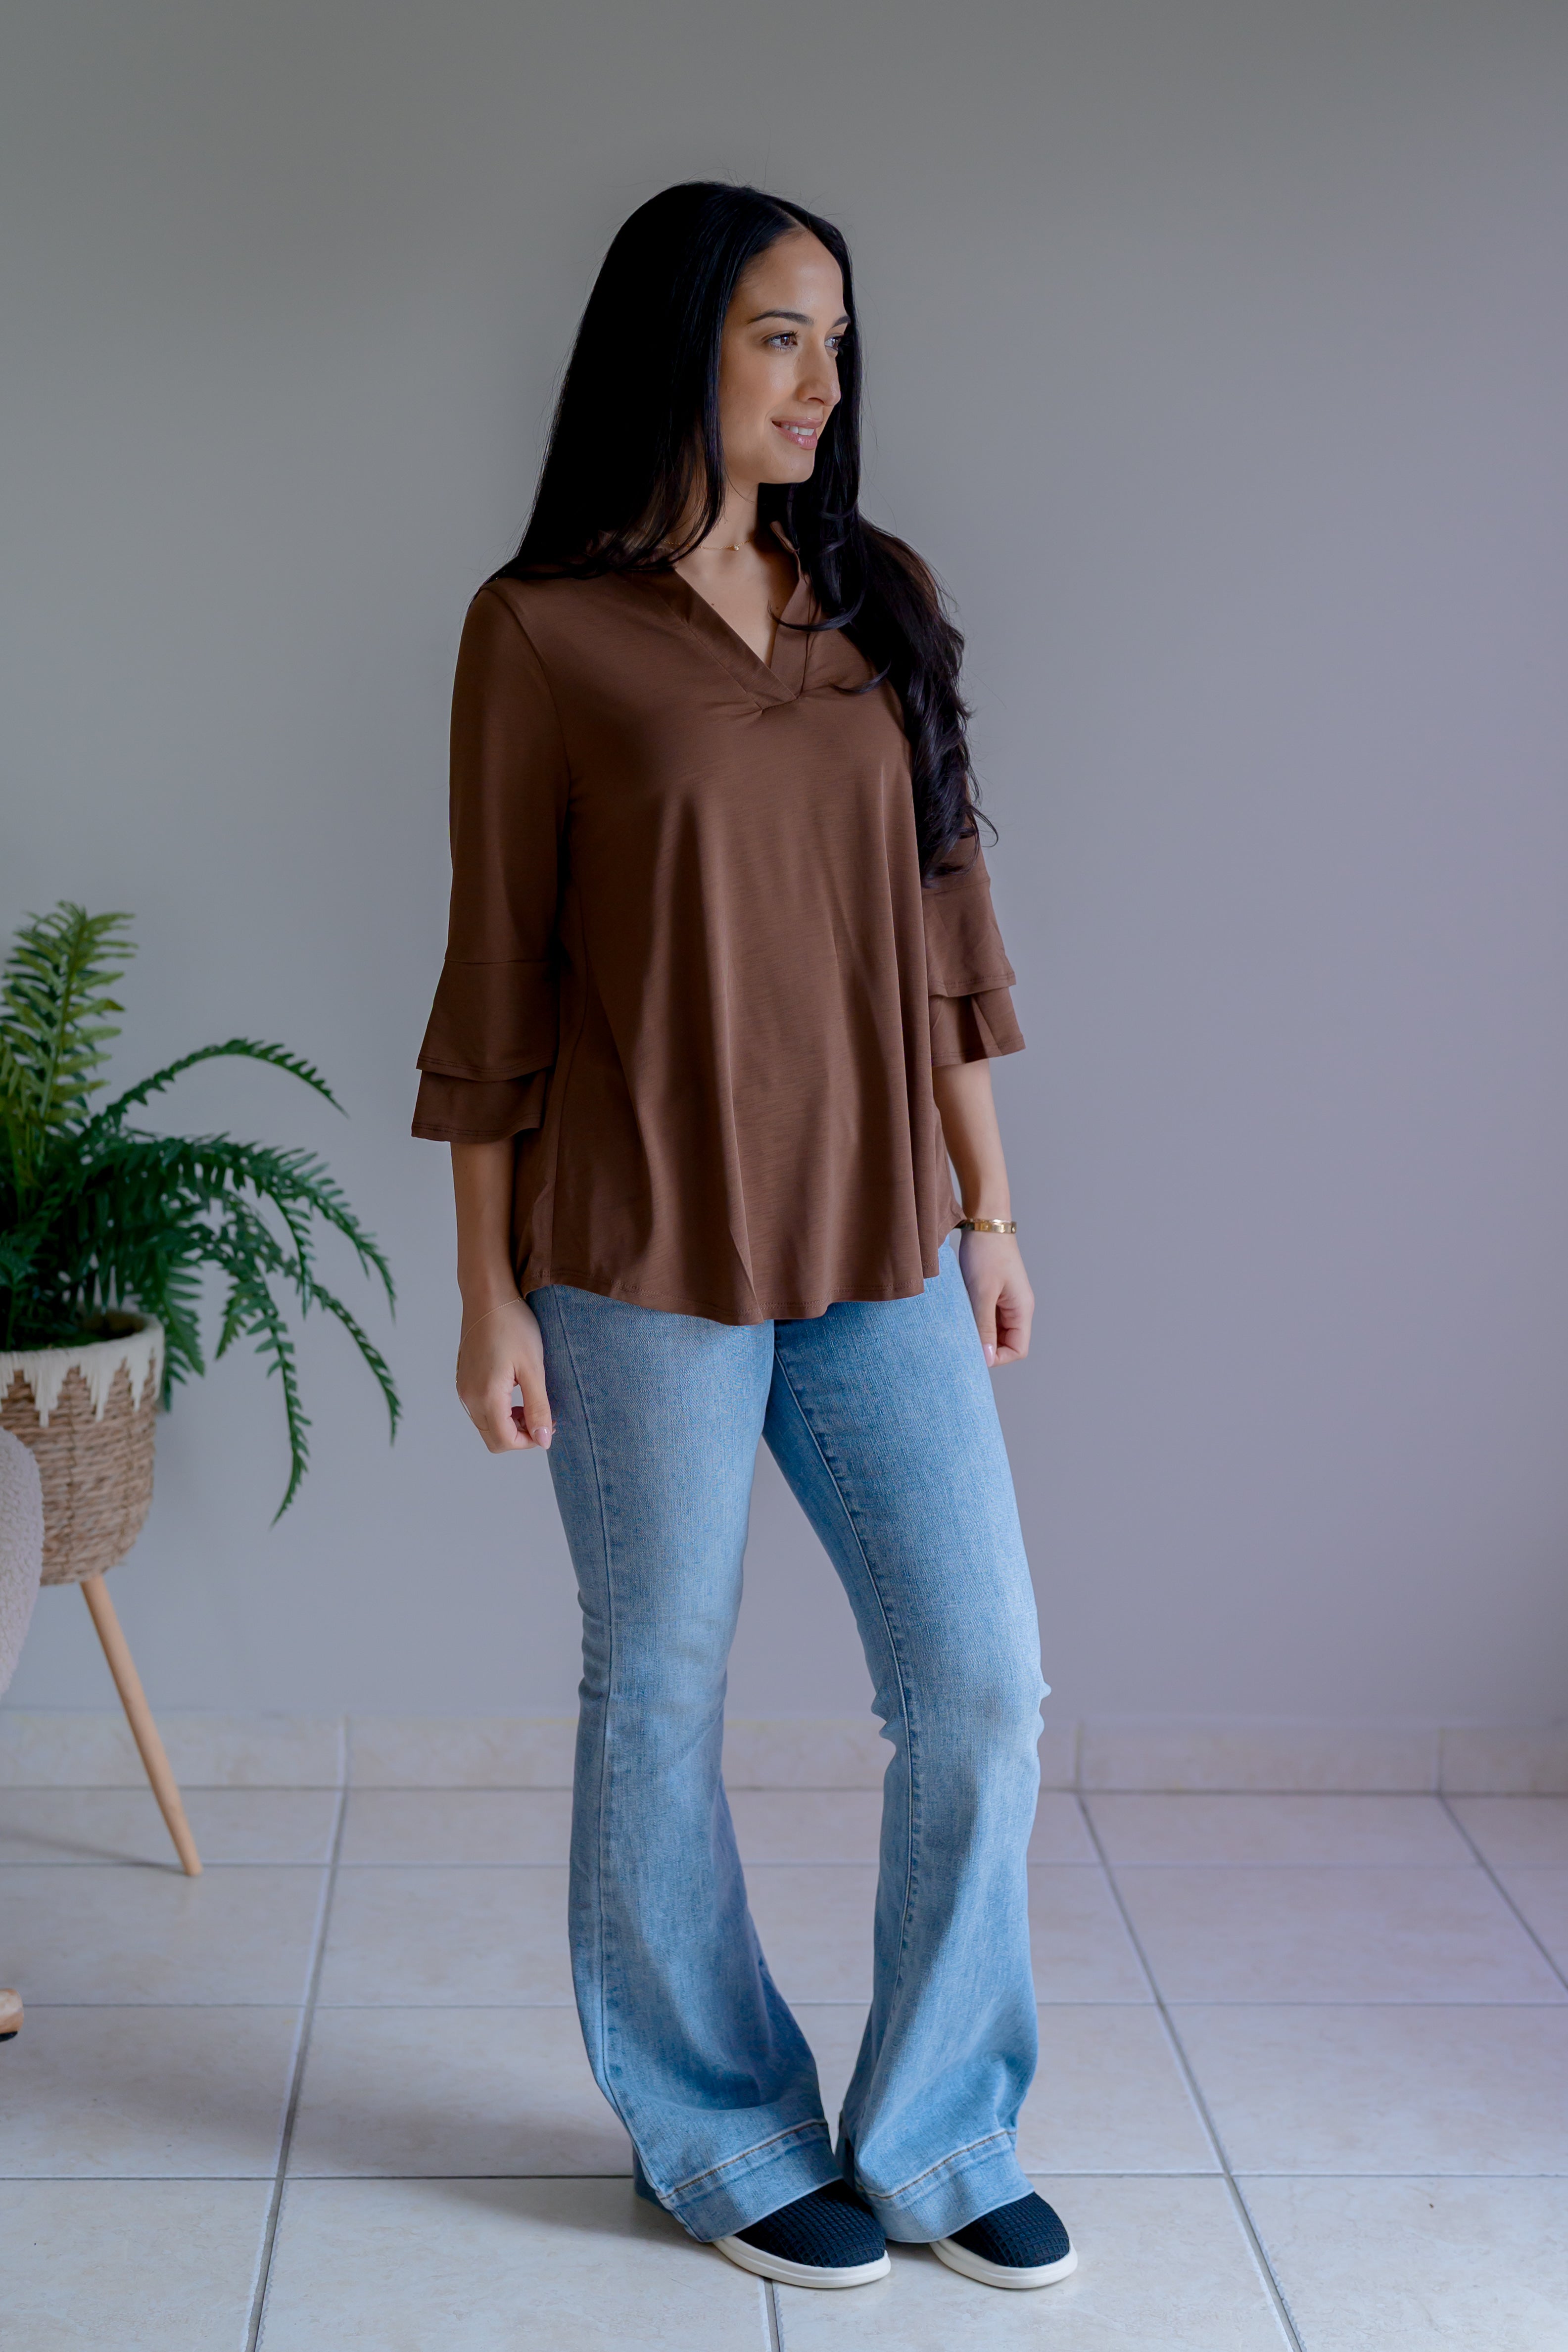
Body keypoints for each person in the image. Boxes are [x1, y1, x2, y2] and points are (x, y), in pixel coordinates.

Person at [412, 181, 1073, 2296]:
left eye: (837, 342)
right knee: (660, 1695)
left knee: (980, 1686)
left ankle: (938, 2127)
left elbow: (946, 925)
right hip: (632, 1249)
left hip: (880, 1234)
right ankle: (715, 2126)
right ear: (674, 344)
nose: (822, 383)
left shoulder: (874, 596)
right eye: (781, 335)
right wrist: (485, 1289)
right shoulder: (542, 630)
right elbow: (497, 979)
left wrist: (989, 1207)